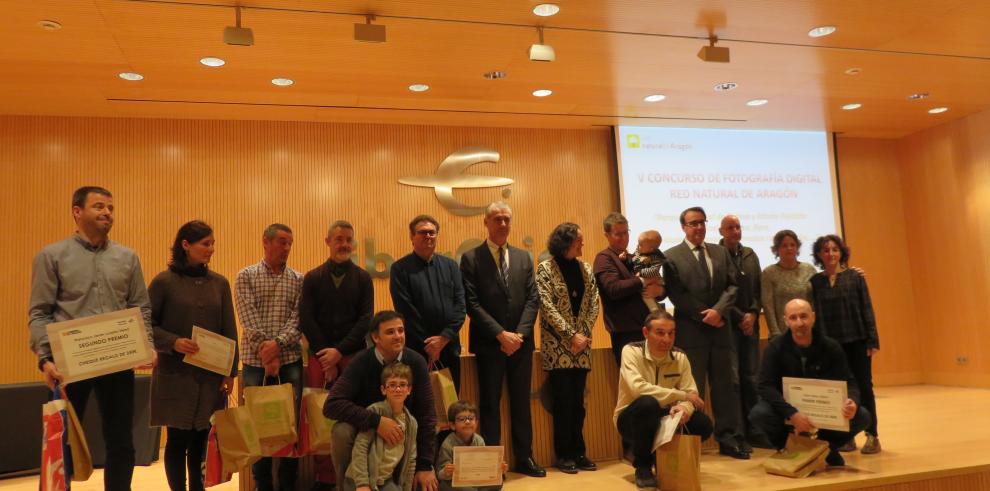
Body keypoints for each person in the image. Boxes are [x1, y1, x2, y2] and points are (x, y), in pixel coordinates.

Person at [28, 186, 155, 491]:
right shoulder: (51, 256)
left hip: (117, 361)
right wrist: (44, 360)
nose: (107, 213)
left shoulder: (128, 257)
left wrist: (147, 345)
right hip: (68, 365)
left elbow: (141, 307)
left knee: (122, 441)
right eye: (99, 207)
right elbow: (39, 313)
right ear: (77, 211)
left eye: (110, 208)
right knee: (62, 442)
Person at [149, 220, 238, 491]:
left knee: (201, 441)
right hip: (174, 375)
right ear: (185, 245)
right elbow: (145, 325)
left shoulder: (220, 284)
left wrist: (231, 372)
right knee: (176, 441)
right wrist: (173, 342)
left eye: (213, 244)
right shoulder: (163, 282)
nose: (211, 249)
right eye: (205, 244)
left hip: (209, 377)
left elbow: (229, 330)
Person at [458, 202, 545, 477]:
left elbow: (533, 298)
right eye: (497, 219)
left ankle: (525, 458)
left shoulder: (523, 257)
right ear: (486, 222)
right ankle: (493, 464)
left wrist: (518, 334)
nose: (503, 224)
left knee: (521, 402)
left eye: (507, 219)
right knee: (490, 404)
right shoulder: (471, 258)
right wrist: (500, 334)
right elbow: (471, 303)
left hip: (521, 343)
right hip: (489, 343)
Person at [662, 206, 749, 459]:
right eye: (693, 223)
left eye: (701, 222)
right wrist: (705, 316)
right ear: (683, 227)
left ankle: (728, 439)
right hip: (692, 333)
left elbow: (733, 286)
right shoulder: (672, 256)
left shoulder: (720, 252)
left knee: (725, 387)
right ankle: (690, 442)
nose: (698, 227)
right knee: (693, 390)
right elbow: (677, 295)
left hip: (721, 331)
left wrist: (719, 312)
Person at [748, 299, 871, 467]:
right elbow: (765, 386)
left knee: (863, 416)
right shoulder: (774, 348)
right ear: (786, 321)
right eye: (793, 318)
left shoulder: (831, 346)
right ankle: (787, 447)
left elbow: (849, 381)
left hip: (823, 409)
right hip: (789, 411)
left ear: (813, 317)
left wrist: (852, 401)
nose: (799, 322)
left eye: (804, 316)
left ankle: (827, 448)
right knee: (759, 414)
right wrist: (792, 414)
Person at [324, 311, 438, 491]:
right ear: (375, 338)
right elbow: (331, 404)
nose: (398, 336)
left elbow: (427, 415)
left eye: (401, 330)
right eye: (390, 332)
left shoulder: (416, 362)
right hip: (367, 430)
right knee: (341, 431)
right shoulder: (361, 361)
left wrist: (425, 465)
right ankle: (346, 486)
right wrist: (376, 421)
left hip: (404, 434)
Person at [299, 220, 375, 490]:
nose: (344, 244)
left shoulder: (364, 278)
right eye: (339, 239)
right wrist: (326, 356)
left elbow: (365, 320)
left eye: (348, 240)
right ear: (327, 241)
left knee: (354, 414)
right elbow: (306, 319)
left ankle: (354, 476)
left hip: (354, 357)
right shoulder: (312, 277)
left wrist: (340, 352)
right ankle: (324, 478)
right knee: (320, 418)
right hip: (319, 357)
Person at [235, 223, 304, 491]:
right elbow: (246, 316)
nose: (286, 248)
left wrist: (277, 346)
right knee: (257, 427)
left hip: (290, 363)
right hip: (254, 363)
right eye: (282, 242)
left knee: (291, 425)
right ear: (266, 241)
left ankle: (288, 484)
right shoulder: (246, 276)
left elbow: (298, 319)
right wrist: (266, 351)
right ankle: (262, 485)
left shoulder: (299, 279)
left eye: (290, 243)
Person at [614, 310, 713, 488]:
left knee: (703, 424)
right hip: (632, 419)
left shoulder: (680, 356)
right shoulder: (631, 351)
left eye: (671, 333)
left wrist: (685, 408)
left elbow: (692, 393)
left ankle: (663, 460)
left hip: (665, 417)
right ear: (645, 332)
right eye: (660, 333)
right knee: (647, 403)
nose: (666, 339)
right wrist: (681, 396)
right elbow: (638, 389)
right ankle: (643, 467)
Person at [536, 222, 600, 474]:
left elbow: (594, 302)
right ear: (565, 243)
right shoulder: (545, 269)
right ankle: (564, 454)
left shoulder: (585, 268)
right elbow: (546, 306)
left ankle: (579, 451)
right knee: (562, 402)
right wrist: (570, 335)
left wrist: (582, 334)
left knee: (578, 403)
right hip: (557, 345)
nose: (583, 244)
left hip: (582, 345)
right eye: (579, 241)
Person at [810, 234, 882, 455]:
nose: (830, 254)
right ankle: (847, 436)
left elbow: (866, 308)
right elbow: (817, 316)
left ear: (841, 253)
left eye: (834, 249)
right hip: (831, 346)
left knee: (864, 388)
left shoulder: (855, 277)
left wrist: (872, 339)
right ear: (819, 254)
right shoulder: (816, 282)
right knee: (839, 392)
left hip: (857, 341)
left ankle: (872, 436)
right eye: (825, 250)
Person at [390, 215, 466, 390]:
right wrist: (431, 345)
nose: (428, 236)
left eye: (432, 232)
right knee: (420, 406)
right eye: (423, 232)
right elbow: (405, 311)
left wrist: (443, 338)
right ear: (412, 236)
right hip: (418, 351)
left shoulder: (451, 266)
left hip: (449, 348)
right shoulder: (399, 268)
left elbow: (460, 306)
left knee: (450, 406)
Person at [717, 214, 768, 448]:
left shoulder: (750, 254)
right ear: (721, 231)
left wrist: (754, 313)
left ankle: (756, 430)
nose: (735, 231)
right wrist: (740, 316)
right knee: (734, 380)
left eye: (738, 227)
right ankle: (738, 433)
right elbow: (721, 292)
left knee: (752, 378)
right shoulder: (716, 255)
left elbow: (759, 289)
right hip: (728, 326)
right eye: (730, 227)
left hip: (751, 326)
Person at [593, 212, 664, 364]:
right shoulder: (604, 258)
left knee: (654, 381)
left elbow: (657, 282)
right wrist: (643, 280)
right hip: (625, 332)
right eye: (618, 234)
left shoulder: (635, 258)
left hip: (649, 327)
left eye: (626, 232)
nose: (624, 237)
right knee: (633, 384)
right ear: (607, 235)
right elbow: (613, 289)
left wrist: (660, 291)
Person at [344, 362, 418, 491]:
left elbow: (411, 459)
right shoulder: (375, 411)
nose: (398, 389)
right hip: (359, 479)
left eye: (402, 385)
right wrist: (362, 484)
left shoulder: (412, 423)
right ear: (383, 389)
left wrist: (407, 488)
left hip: (386, 481)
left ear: (409, 389)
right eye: (392, 385)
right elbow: (360, 448)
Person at [436, 401, 508, 491]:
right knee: (456, 488)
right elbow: (440, 473)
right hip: (455, 483)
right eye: (462, 419)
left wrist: (498, 469)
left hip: (476, 481)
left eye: (471, 418)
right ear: (453, 425)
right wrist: (446, 472)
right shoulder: (448, 444)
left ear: (476, 423)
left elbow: (484, 466)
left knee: (498, 483)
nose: (467, 421)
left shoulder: (479, 440)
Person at [760, 230, 817, 338]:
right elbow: (768, 307)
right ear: (777, 249)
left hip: (808, 332)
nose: (789, 248)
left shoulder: (809, 270)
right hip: (782, 335)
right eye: (784, 245)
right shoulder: (769, 273)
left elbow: (814, 302)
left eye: (792, 245)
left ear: (797, 247)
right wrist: (775, 334)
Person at [631, 230, 667, 313]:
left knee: (647, 296)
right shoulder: (639, 249)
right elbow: (634, 257)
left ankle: (655, 311)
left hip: (653, 278)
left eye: (641, 245)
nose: (638, 246)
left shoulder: (657, 257)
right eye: (638, 243)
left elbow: (654, 270)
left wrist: (642, 272)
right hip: (642, 279)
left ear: (651, 249)